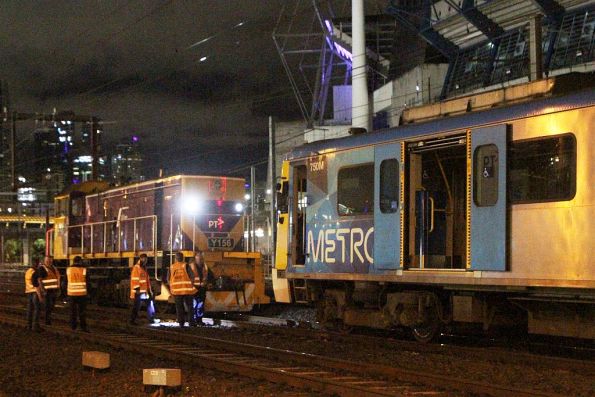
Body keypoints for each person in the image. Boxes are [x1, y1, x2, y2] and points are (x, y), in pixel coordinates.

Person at [167, 251, 196, 328]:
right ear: (183, 258)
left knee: (179, 308)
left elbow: (168, 279)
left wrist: (172, 288)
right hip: (187, 291)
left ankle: (181, 323)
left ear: (175, 258)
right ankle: (191, 323)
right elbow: (192, 276)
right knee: (190, 307)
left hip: (177, 292)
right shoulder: (186, 265)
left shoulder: (172, 267)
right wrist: (191, 285)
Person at [129, 253, 156, 325]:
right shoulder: (136, 268)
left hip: (144, 291)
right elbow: (134, 279)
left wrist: (149, 291)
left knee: (150, 304)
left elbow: (147, 281)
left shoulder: (143, 268)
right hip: (138, 292)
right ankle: (132, 320)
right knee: (136, 307)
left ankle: (151, 319)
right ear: (141, 259)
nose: (146, 260)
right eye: (145, 259)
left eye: (146, 259)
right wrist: (137, 290)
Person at [66, 256, 89, 332]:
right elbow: (88, 282)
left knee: (72, 312)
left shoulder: (68, 270)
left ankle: (73, 327)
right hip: (82, 294)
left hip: (71, 294)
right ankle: (83, 327)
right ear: (80, 261)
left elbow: (64, 282)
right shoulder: (84, 270)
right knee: (82, 312)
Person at [189, 250, 209, 325]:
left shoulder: (205, 266)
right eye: (199, 256)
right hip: (194, 289)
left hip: (202, 289)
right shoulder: (191, 266)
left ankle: (199, 320)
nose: (200, 257)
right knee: (194, 305)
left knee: (200, 305)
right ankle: (193, 320)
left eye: (201, 256)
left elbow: (207, 276)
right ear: (195, 257)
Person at [40, 255, 61, 325]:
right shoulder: (42, 268)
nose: (49, 262)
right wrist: (43, 290)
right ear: (44, 261)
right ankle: (47, 321)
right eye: (47, 260)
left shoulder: (54, 268)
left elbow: (57, 278)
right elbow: (39, 280)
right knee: (48, 306)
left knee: (52, 306)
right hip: (47, 291)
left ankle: (48, 320)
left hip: (54, 290)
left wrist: (58, 288)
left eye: (50, 260)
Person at [25, 259, 44, 332]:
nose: (40, 265)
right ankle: (35, 326)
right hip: (35, 292)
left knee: (30, 309)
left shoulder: (28, 271)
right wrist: (40, 296)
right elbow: (37, 285)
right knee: (37, 309)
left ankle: (28, 325)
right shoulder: (35, 272)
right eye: (39, 264)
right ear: (37, 264)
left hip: (29, 292)